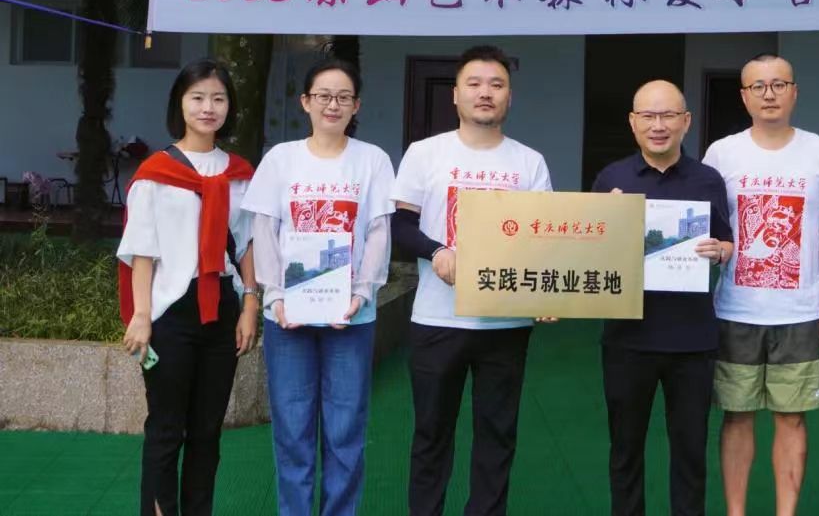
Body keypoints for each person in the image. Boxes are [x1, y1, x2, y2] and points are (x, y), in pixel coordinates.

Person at [391, 44, 552, 516]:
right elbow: (401, 225)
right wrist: (437, 251)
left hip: (506, 322)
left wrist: (548, 292)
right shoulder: (426, 153)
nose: (486, 93)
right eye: (475, 84)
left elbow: (544, 236)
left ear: (509, 97)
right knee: (431, 434)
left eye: (496, 85)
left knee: (497, 436)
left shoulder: (529, 162)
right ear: (455, 94)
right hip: (437, 318)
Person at [244, 58, 395, 515]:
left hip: (351, 316)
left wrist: (362, 293)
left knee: (346, 429)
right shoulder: (280, 158)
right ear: (305, 101)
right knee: (292, 429)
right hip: (287, 317)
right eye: (324, 96)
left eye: (343, 97)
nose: (333, 105)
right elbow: (264, 230)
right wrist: (274, 295)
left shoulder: (372, 160)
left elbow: (378, 232)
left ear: (356, 106)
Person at [702, 53, 819, 516]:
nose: (769, 94)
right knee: (736, 416)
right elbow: (706, 227)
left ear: (794, 92)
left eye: (779, 84)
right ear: (744, 96)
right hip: (735, 308)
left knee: (792, 417)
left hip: (800, 310)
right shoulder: (722, 153)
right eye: (758, 86)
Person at [117, 58, 258, 516]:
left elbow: (247, 244)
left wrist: (250, 305)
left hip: (223, 308)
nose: (208, 107)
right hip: (170, 312)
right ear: (180, 104)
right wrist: (141, 316)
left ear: (229, 107)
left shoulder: (240, 174)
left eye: (218, 98)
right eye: (197, 97)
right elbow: (142, 251)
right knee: (165, 428)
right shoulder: (155, 173)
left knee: (207, 432)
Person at [591, 80, 734, 516]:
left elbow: (726, 242)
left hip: (692, 340)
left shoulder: (707, 179)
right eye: (648, 116)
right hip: (627, 336)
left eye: (668, 115)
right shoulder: (611, 179)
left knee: (690, 452)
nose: (659, 125)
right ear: (633, 122)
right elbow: (589, 252)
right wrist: (608, 221)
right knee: (625, 449)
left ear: (686, 121)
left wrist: (720, 250)